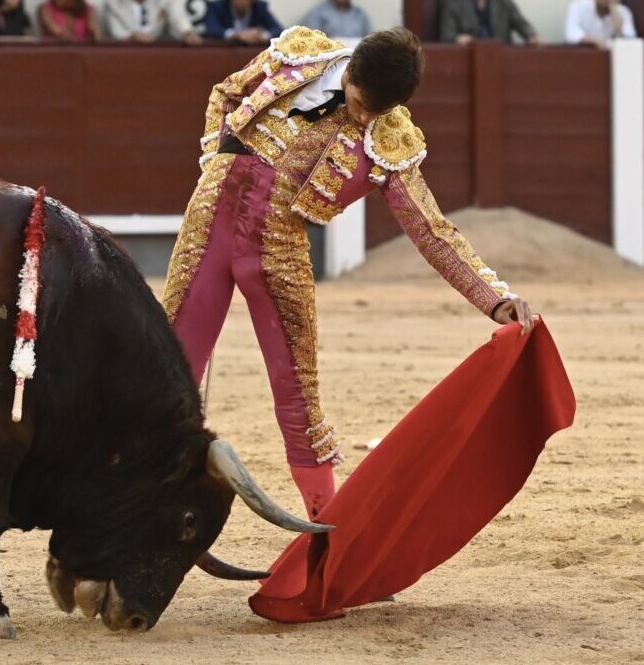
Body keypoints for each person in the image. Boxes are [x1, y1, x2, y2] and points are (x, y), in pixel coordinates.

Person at [163, 26, 535, 517]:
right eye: (360, 103)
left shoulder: (389, 139)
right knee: (171, 370)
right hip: (208, 223)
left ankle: (327, 531)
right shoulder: (299, 54)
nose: (362, 118)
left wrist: (493, 296)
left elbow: (431, 229)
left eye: (376, 112)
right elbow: (227, 93)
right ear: (352, 69)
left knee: (298, 397)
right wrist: (216, 162)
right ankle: (134, 510)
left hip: (276, 251)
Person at [203, 0, 283, 46]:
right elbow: (212, 29)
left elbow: (278, 30)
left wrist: (263, 35)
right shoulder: (217, 6)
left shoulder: (259, 7)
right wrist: (237, 35)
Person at [566, 0, 638, 48]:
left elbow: (629, 38)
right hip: (585, 53)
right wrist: (594, 40)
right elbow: (571, 34)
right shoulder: (578, 7)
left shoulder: (623, 11)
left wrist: (613, 7)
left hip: (613, 54)